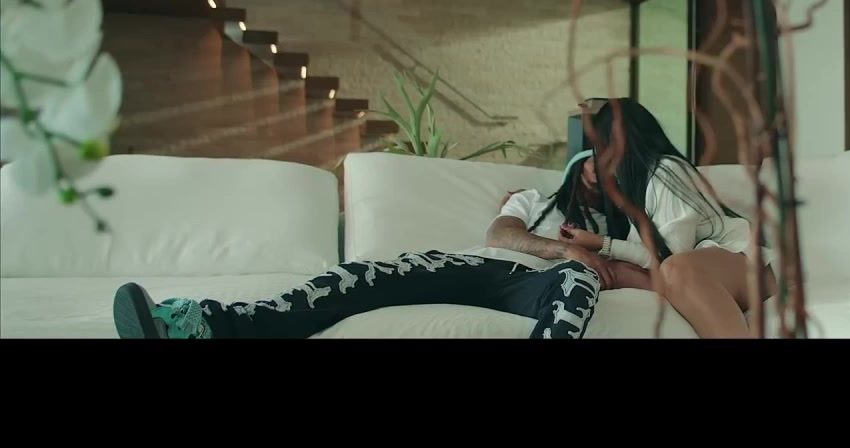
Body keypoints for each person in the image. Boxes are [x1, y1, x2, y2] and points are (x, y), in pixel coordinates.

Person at [112, 151, 643, 340]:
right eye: (590, 163)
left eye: (610, 168)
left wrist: (594, 253)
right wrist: (565, 248)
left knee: (577, 281)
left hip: (542, 284)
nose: (597, 173)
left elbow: (646, 273)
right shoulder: (532, 199)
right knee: (362, 276)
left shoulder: (623, 227)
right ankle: (206, 326)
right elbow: (500, 236)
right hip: (483, 267)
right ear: (574, 169)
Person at [558, 98, 778, 338]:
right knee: (614, 270)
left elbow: (671, 255)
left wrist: (603, 243)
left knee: (675, 268)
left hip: (747, 270)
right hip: (710, 274)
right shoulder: (636, 189)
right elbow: (645, 257)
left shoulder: (667, 170)